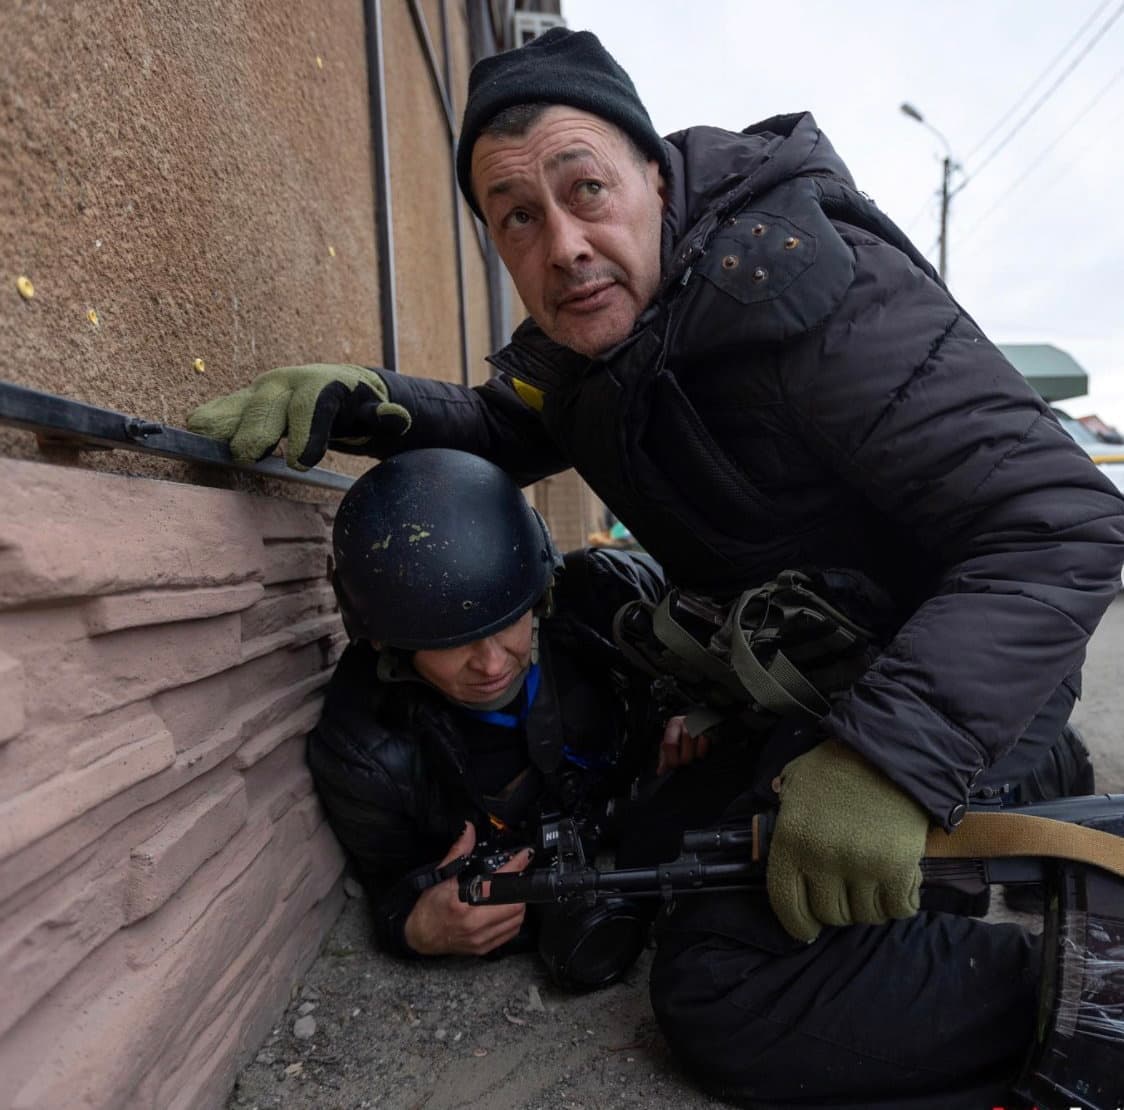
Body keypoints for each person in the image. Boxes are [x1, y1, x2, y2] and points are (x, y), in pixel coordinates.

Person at [190, 28, 1124, 1107]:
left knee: (722, 987)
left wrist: (885, 768)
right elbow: (512, 422)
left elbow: (1060, 523)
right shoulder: (602, 349)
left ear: (653, 172)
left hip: (925, 684)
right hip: (843, 683)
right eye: (518, 218)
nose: (565, 244)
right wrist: (374, 403)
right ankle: (1031, 776)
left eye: (585, 189)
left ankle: (1084, 992)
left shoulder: (812, 290)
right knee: (663, 841)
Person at [308, 446, 670, 984]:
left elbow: (717, 617)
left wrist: (698, 703)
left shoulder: (609, 598)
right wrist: (420, 928)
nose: (493, 663)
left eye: (507, 622)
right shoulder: (364, 747)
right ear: (392, 643)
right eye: (454, 644)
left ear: (541, 594)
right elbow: (390, 884)